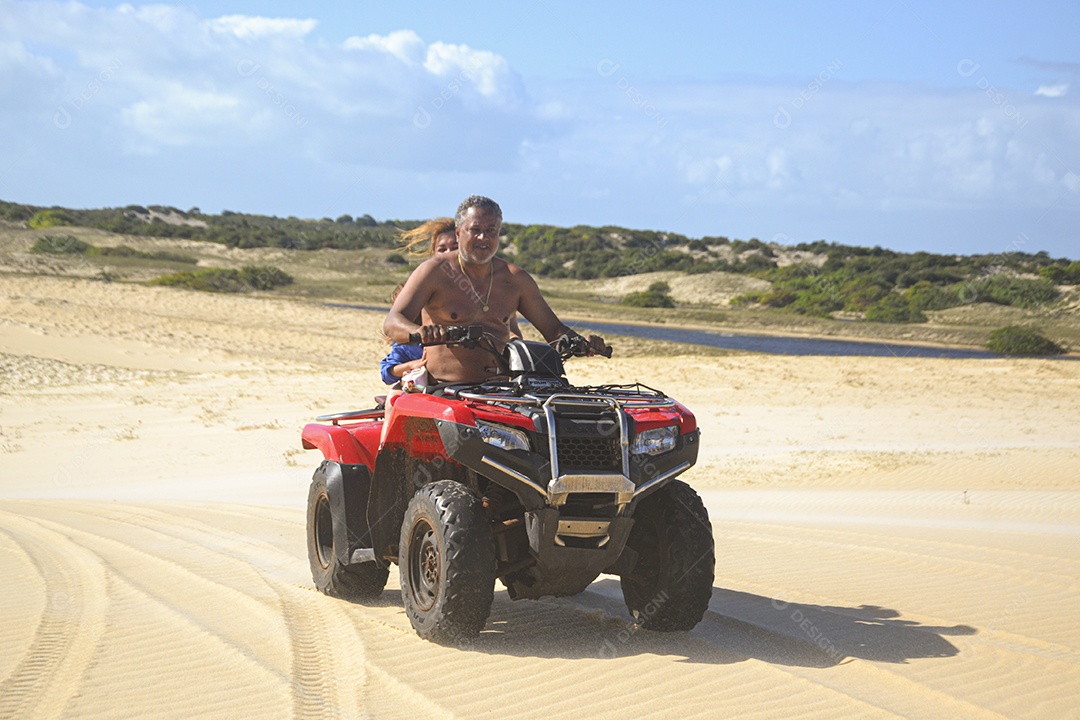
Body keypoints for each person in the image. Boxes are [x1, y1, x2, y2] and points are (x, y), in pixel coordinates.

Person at [384, 195, 608, 384]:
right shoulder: (434, 271)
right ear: (459, 232)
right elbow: (393, 321)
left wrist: (582, 343)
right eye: (476, 230)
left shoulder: (515, 279)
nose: (484, 237)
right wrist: (420, 332)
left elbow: (554, 331)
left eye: (491, 230)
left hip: (500, 392)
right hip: (444, 390)